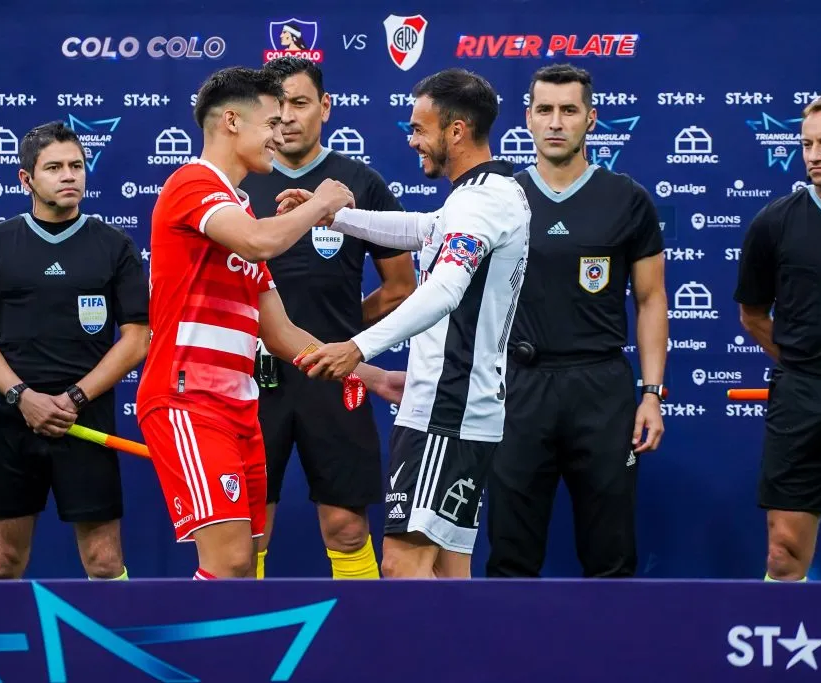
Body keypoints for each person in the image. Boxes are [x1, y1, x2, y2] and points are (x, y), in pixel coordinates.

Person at [136, 66, 404, 580]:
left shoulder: (239, 210)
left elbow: (281, 333)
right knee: (231, 560)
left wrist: (369, 375)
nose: (278, 137)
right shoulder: (192, 183)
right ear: (231, 122)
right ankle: (186, 636)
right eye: (270, 124)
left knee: (246, 559)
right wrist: (321, 202)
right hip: (188, 399)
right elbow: (261, 243)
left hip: (239, 406)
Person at [285, 68, 532, 579]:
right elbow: (423, 229)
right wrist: (334, 216)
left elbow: (444, 290)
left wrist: (357, 348)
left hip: (447, 412)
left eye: (420, 128)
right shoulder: (479, 195)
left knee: (403, 567)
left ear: (456, 131)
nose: (412, 139)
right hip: (454, 407)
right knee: (448, 571)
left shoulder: (483, 202)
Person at [484, 64, 668, 579]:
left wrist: (651, 394)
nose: (555, 122)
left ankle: (614, 637)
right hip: (519, 388)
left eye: (569, 110)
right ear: (527, 118)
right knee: (510, 554)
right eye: (544, 110)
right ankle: (510, 637)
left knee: (611, 554)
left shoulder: (627, 198)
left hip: (601, 388)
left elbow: (651, 299)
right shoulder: (499, 198)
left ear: (591, 118)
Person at [239, 57, 416, 580]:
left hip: (336, 374)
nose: (288, 117)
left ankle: (366, 630)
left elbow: (401, 287)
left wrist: (336, 335)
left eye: (300, 103)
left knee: (346, 528)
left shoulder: (359, 183)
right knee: (248, 532)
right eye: (277, 106)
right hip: (251, 377)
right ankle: (243, 629)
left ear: (326, 107)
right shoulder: (242, 182)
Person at [0, 121, 151, 581]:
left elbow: (136, 339)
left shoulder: (115, 244)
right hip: (13, 418)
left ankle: (112, 634)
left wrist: (74, 399)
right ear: (26, 179)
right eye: (55, 168)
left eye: (77, 166)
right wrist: (23, 397)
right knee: (4, 562)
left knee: (104, 562)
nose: (69, 176)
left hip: (85, 418)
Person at [734, 94, 821, 583]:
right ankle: (779, 634)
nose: (814, 155)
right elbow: (753, 314)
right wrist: (805, 360)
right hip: (801, 397)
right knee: (783, 553)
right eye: (807, 144)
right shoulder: (774, 222)